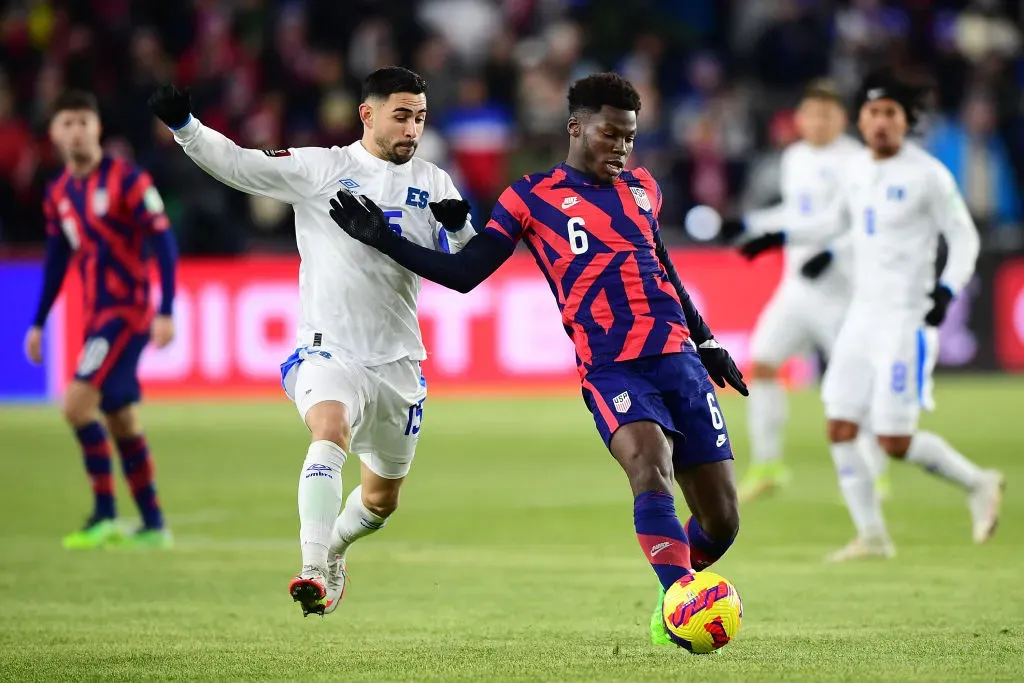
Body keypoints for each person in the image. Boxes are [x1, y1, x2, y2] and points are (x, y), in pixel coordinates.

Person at [327, 72, 747, 645]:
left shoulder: (644, 187)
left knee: (722, 522)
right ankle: (678, 601)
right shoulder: (530, 197)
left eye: (629, 137)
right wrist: (384, 238)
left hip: (679, 358)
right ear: (576, 127)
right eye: (609, 134)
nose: (621, 147)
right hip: (612, 367)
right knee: (651, 471)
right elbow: (466, 272)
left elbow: (663, 267)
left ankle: (675, 585)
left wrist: (707, 340)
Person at [148, 66, 476, 616]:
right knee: (329, 432)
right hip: (330, 349)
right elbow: (239, 165)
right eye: (401, 116)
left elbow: (466, 265)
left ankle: (338, 549)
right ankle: (312, 567)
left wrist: (464, 227)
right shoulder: (324, 167)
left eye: (419, 118)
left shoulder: (434, 181)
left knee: (379, 502)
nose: (412, 130)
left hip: (399, 361)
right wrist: (186, 126)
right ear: (366, 114)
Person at [740, 70, 1004, 561]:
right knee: (839, 426)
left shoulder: (928, 175)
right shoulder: (858, 170)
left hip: (905, 320)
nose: (881, 122)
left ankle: (978, 482)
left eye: (891, 114)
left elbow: (964, 237)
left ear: (906, 122)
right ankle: (873, 536)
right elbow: (830, 221)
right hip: (862, 315)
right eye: (874, 113)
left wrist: (947, 288)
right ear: (860, 120)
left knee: (894, 439)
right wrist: (776, 236)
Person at [26, 89, 177, 550]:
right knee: (120, 418)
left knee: (75, 405)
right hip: (96, 316)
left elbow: (163, 242)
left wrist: (166, 308)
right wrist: (38, 321)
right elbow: (57, 259)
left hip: (124, 312)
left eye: (83, 122)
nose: (76, 131)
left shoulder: (126, 178)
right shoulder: (58, 193)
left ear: (97, 128)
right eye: (67, 123)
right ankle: (153, 525)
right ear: (54, 133)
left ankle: (106, 515)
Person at [729, 79, 889, 502]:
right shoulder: (795, 158)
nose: (818, 122)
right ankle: (768, 466)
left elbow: (866, 222)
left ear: (842, 119)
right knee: (762, 364)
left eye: (827, 114)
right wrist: (750, 223)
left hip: (842, 291)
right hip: (797, 288)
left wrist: (834, 253)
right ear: (799, 118)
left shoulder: (858, 161)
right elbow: (796, 212)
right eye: (811, 114)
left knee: (849, 381)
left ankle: (877, 471)